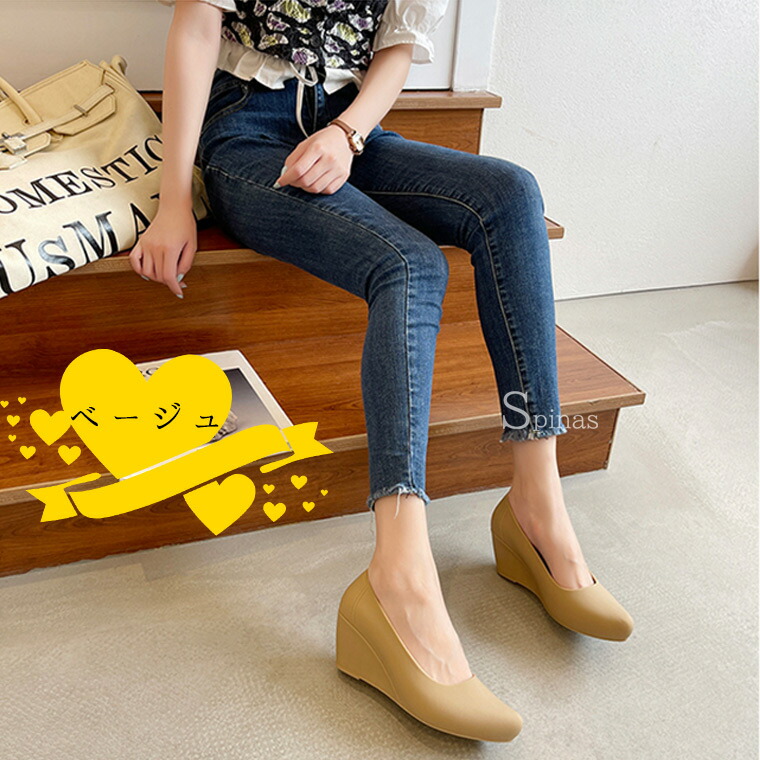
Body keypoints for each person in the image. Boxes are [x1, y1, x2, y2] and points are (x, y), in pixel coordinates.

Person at [134, 0, 634, 742]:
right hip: (247, 132)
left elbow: (394, 48)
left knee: (512, 193)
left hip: (351, 126)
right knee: (411, 265)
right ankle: (397, 578)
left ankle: (537, 504)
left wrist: (346, 133)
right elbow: (198, 25)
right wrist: (174, 197)